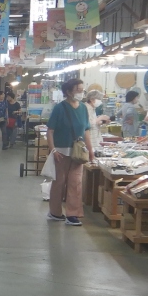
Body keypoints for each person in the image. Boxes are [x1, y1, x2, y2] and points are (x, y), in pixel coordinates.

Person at [46, 78, 93, 226]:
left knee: (76, 183)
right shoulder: (59, 108)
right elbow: (50, 131)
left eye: (82, 90)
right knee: (59, 182)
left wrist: (91, 151)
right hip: (61, 152)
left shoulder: (83, 108)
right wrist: (53, 150)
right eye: (78, 90)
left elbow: (86, 131)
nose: (81, 92)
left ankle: (72, 214)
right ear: (68, 91)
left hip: (78, 152)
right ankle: (55, 211)